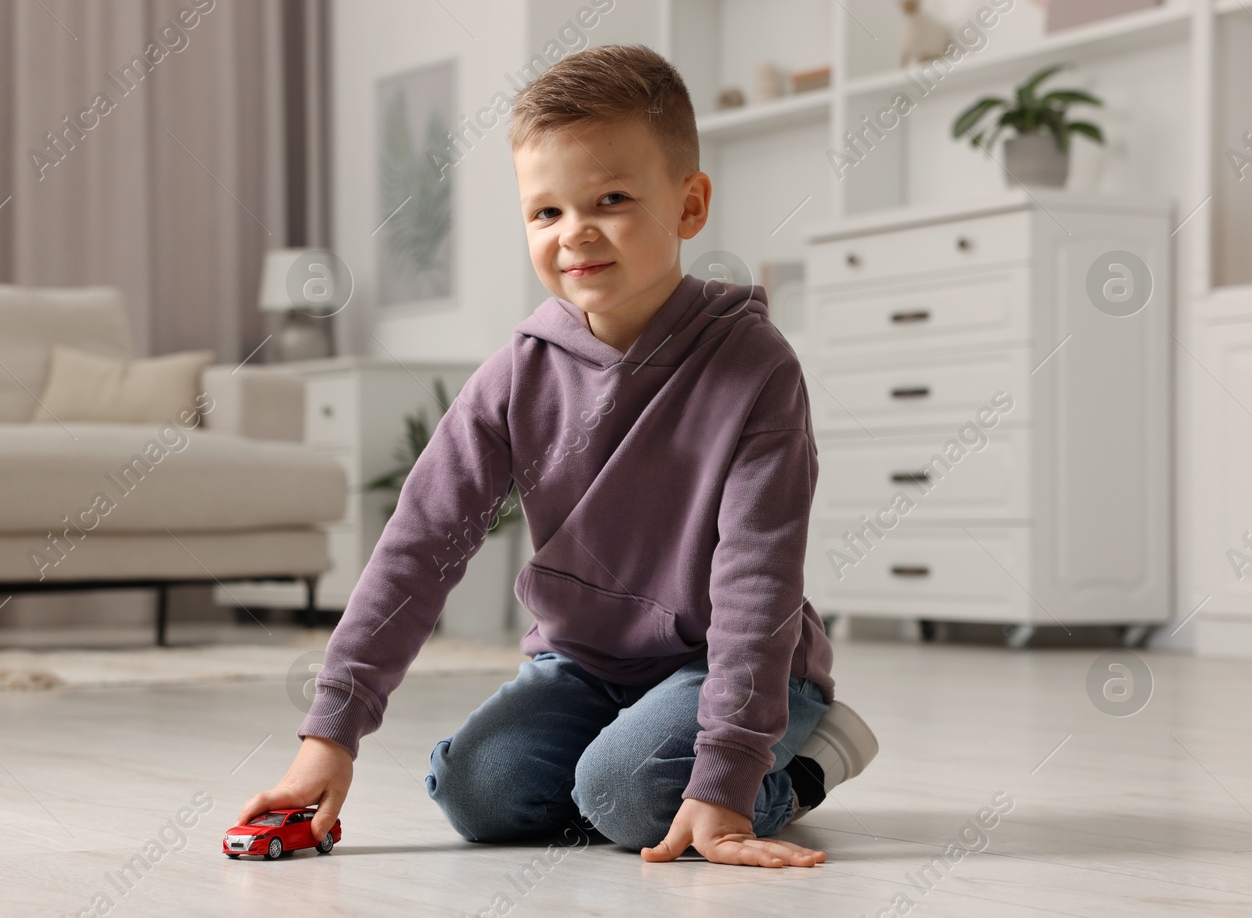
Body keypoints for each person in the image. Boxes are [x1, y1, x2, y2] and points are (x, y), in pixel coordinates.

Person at [237, 43, 877, 868]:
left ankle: (809, 760)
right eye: (546, 212)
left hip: (726, 663)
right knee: (478, 793)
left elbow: (758, 582)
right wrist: (332, 731)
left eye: (610, 199)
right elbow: (418, 548)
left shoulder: (755, 368)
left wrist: (723, 785)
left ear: (689, 205)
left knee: (626, 794)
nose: (575, 232)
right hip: (582, 664)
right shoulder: (516, 374)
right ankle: (631, 760)